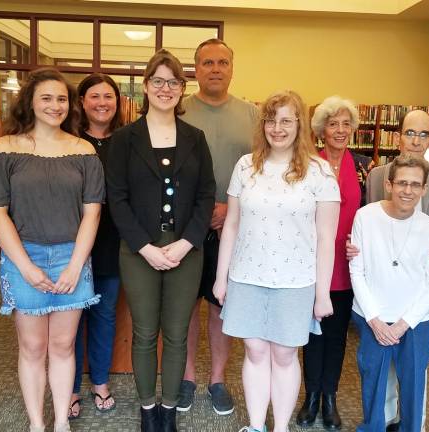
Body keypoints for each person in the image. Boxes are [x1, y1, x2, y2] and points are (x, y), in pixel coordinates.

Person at [0, 68, 103, 432]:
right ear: (30, 102)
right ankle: (37, 423)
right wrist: (25, 266)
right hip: (23, 257)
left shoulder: (84, 150)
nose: (55, 105)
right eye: (46, 98)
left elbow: (92, 214)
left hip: (73, 257)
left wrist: (75, 266)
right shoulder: (6, 147)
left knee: (63, 346)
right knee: (33, 347)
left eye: (61, 98)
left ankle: (62, 422)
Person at [214, 90, 339, 432]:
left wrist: (323, 293)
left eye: (286, 120)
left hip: (296, 280)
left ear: (300, 124)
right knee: (254, 351)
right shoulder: (246, 165)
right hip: (247, 275)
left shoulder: (320, 172)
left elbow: (326, 238)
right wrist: (221, 277)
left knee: (284, 354)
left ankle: (280, 427)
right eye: (271, 120)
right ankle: (256, 425)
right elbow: (232, 225)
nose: (278, 128)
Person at [105, 49, 216, 432]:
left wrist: (187, 242)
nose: (165, 88)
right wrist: (145, 247)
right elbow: (115, 198)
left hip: (187, 249)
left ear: (182, 89)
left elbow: (206, 195)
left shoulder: (195, 138)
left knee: (177, 332)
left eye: (173, 82)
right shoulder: (124, 139)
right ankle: (147, 407)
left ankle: (168, 409)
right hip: (139, 250)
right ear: (145, 87)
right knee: (145, 332)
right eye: (158, 81)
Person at [178, 38, 259, 416]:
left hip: (236, 227)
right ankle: (189, 377)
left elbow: (262, 170)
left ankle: (217, 379)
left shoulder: (252, 115)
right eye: (207, 62)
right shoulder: (178, 110)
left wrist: (231, 209)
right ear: (195, 69)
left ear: (232, 68)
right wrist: (200, 208)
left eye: (222, 62)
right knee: (188, 306)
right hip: (185, 228)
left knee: (221, 305)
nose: (214, 68)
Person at [364, 109, 429, 431]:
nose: (415, 140)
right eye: (409, 132)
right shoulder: (378, 176)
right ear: (399, 135)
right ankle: (386, 417)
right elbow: (368, 223)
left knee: (416, 366)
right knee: (381, 365)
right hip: (384, 287)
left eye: (423, 134)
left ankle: (412, 422)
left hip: (423, 285)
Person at [350, 154, 429, 432]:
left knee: (413, 381)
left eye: (415, 185)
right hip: (373, 315)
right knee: (373, 379)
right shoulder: (365, 217)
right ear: (389, 184)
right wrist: (376, 321)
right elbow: (357, 272)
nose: (408, 190)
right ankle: (374, 427)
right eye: (402, 183)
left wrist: (403, 325)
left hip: (416, 320)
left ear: (424, 189)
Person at [295, 95, 362, 430]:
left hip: (348, 266)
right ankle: (310, 398)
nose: (340, 130)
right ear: (321, 130)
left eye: (345, 123)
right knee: (312, 335)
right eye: (333, 124)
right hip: (314, 263)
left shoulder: (366, 167)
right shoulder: (308, 164)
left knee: (336, 336)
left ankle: (330, 398)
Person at [68, 73, 125, 419]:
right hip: (70, 245)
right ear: (82, 102)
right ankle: (71, 387)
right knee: (71, 321)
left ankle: (100, 382)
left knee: (104, 317)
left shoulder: (127, 141)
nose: (102, 102)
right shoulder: (69, 141)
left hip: (112, 245)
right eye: (94, 96)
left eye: (109, 96)